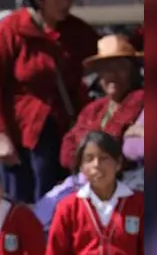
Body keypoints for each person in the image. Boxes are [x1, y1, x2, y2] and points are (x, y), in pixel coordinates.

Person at [0, 0, 99, 205]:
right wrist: (1, 136)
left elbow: (108, 54)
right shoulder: (12, 28)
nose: (66, 1)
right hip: (20, 139)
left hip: (63, 138)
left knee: (58, 205)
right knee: (19, 209)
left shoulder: (78, 32)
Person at [43, 131, 144, 255]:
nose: (96, 165)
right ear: (81, 167)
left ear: (118, 163)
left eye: (104, 158)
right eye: (89, 159)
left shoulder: (139, 204)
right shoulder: (68, 206)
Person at [59, 35, 145, 172]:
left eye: (119, 67)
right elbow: (67, 149)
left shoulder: (142, 101)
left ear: (133, 71)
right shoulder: (93, 109)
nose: (112, 75)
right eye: (106, 69)